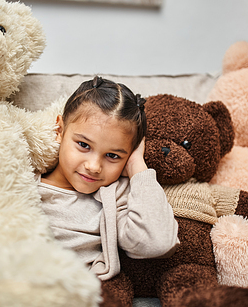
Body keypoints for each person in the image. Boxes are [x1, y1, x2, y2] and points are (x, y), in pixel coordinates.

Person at [38, 76, 179, 301]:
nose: (93, 167)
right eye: (83, 145)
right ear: (60, 129)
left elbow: (156, 242)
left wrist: (137, 168)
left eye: (113, 155)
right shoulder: (23, 181)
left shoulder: (115, 196)